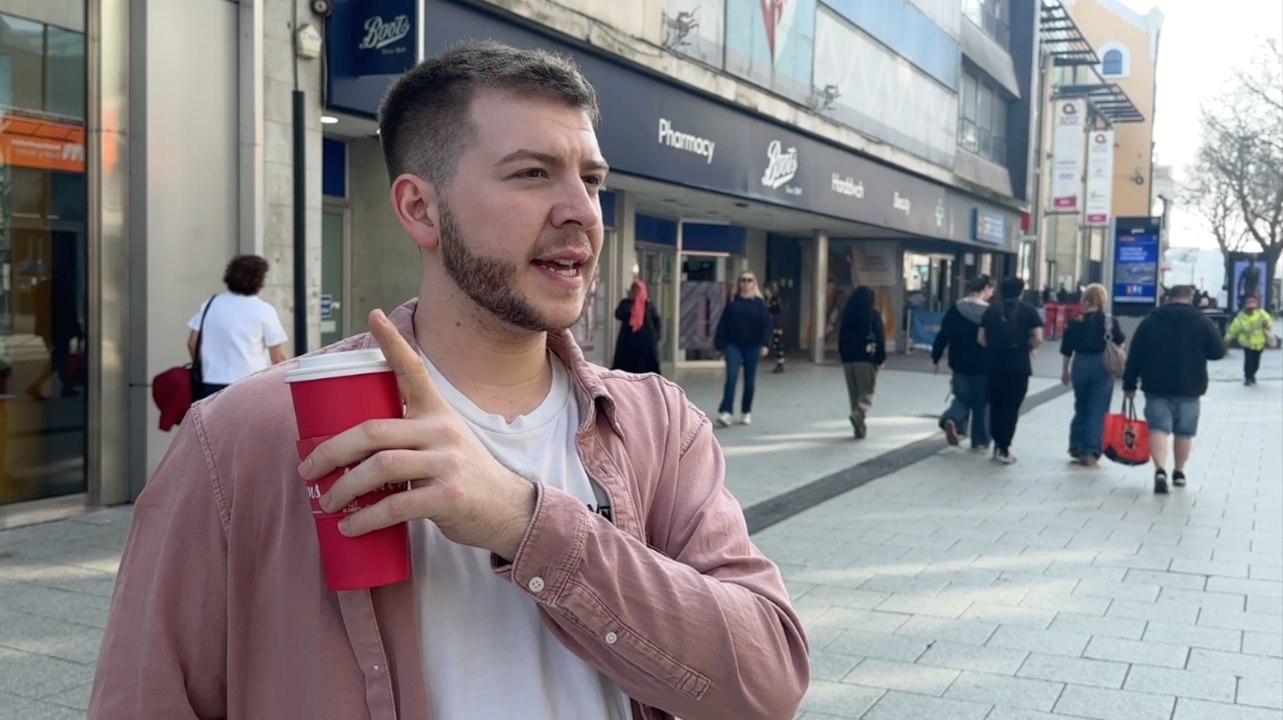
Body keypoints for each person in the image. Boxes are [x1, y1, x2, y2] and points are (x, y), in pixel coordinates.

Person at [89, 42, 807, 720]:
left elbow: (767, 681)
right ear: (419, 208)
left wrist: (521, 521)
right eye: (532, 173)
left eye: (591, 180)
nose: (582, 212)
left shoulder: (656, 425)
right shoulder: (241, 438)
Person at [1123, 284, 1227, 493]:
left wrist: (1129, 383)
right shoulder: (1201, 321)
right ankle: (1179, 472)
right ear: (1190, 297)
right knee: (1184, 432)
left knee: (1158, 429)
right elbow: (1217, 352)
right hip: (1190, 386)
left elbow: (1135, 354)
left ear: (1169, 298)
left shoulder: (1150, 321)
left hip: (1156, 385)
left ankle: (1160, 469)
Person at [187, 255, 289, 397]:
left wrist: (205, 366)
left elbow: (192, 343)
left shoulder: (210, 304)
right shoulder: (264, 310)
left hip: (212, 383)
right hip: (251, 383)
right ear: (259, 281)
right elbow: (277, 358)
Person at [978, 277, 1044, 465]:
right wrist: (1029, 348)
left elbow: (980, 338)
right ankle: (1004, 447)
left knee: (995, 405)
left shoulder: (991, 310)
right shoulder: (1029, 311)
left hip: (994, 364)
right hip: (1018, 365)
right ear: (1021, 292)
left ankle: (996, 442)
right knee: (1011, 407)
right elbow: (1038, 337)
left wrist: (993, 349)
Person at [1059, 283, 1125, 466]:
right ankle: (1090, 452)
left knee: (1081, 405)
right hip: (1102, 365)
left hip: (1080, 363)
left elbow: (1066, 350)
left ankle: (1076, 445)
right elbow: (1120, 342)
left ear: (1085, 300)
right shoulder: (1109, 321)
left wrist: (1065, 371)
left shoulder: (1075, 322)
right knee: (1098, 409)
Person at [932, 275, 994, 451]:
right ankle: (980, 440)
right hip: (983, 365)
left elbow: (943, 334)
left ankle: (951, 419)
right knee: (982, 402)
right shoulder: (989, 312)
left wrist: (936, 357)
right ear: (986, 288)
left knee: (962, 398)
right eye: (991, 290)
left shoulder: (956, 308)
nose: (992, 294)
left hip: (959, 363)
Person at [713, 270, 773, 427]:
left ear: (754, 283)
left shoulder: (760, 304)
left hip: (753, 346)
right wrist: (719, 345)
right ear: (739, 283)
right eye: (743, 280)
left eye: (749, 280)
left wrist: (765, 344)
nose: (746, 283)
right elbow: (723, 324)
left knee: (749, 380)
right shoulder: (733, 303)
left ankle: (746, 411)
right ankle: (726, 412)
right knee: (731, 377)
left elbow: (766, 326)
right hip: (734, 345)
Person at [838, 286, 886, 439]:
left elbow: (841, 337)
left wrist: (843, 355)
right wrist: (880, 358)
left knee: (854, 395)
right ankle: (858, 415)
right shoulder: (873, 315)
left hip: (848, 360)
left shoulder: (847, 315)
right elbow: (879, 338)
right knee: (867, 393)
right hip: (866, 359)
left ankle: (859, 429)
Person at [610, 278, 661, 374]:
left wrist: (656, 337)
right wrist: (632, 305)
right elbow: (618, 314)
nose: (636, 291)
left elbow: (656, 321)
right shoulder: (626, 303)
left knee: (645, 369)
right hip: (628, 342)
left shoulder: (648, 304)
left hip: (646, 343)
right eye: (634, 289)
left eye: (638, 289)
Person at [1227, 294, 1272, 386]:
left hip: (1259, 343)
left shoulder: (1261, 314)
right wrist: (1228, 338)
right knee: (1248, 361)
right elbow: (1234, 328)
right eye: (1249, 303)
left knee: (1256, 363)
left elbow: (1269, 322)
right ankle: (1248, 377)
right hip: (1247, 343)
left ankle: (1252, 374)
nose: (1251, 306)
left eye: (1253, 303)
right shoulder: (1241, 317)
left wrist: (1266, 323)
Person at [765, 281, 787, 373]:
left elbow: (780, 312)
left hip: (777, 324)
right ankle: (778, 361)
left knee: (777, 343)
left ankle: (780, 362)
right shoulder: (766, 300)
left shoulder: (776, 300)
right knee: (774, 343)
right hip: (770, 324)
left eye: (766, 289)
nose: (765, 291)